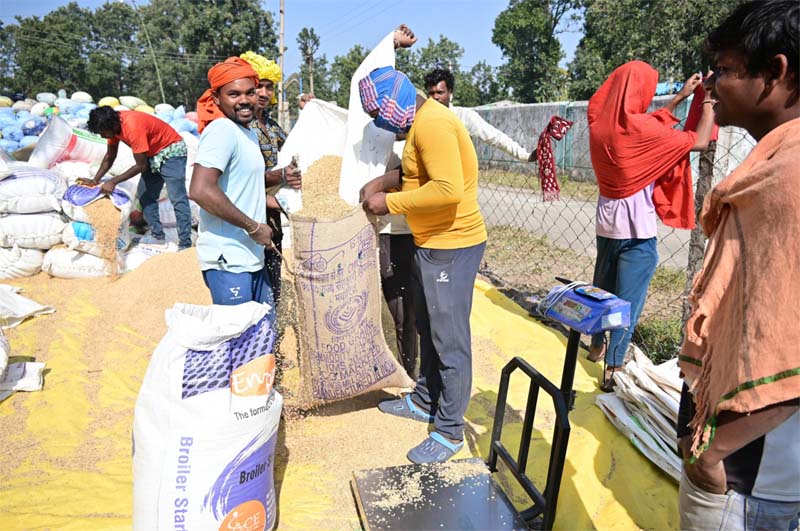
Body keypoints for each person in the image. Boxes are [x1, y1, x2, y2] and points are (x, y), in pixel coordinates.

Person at [677, 2, 799, 529]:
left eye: (724, 72)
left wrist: (713, 454)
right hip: (739, 457)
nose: (709, 88)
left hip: (752, 476)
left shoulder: (788, 182)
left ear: (775, 72)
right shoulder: (771, 165)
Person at [361, 67, 486, 465]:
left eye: (382, 115)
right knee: (429, 326)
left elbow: (447, 190)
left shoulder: (432, 124)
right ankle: (425, 399)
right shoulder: (421, 122)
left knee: (450, 338)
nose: (382, 125)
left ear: (397, 103)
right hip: (430, 240)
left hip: (453, 243)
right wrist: (386, 182)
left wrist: (390, 203)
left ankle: (449, 429)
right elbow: (420, 171)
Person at [586, 61, 714, 391]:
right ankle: (613, 368)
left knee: (602, 291)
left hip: (607, 226)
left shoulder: (599, 124)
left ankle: (595, 347)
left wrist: (680, 98)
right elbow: (697, 141)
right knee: (626, 302)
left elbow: (643, 121)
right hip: (636, 232)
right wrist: (709, 100)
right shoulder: (643, 133)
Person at [339, 24, 420, 378]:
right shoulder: (383, 132)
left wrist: (382, 185)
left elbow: (427, 177)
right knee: (377, 298)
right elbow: (364, 76)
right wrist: (390, 43)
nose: (374, 119)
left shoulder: (424, 131)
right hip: (382, 229)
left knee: (405, 306)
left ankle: (409, 370)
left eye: (378, 113)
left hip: (408, 230)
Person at [188, 57, 275, 309]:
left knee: (263, 338)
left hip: (250, 255)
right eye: (234, 94)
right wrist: (252, 226)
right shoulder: (221, 130)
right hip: (228, 258)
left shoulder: (246, 132)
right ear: (216, 99)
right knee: (240, 342)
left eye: (250, 92)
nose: (244, 100)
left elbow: (241, 185)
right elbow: (200, 190)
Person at [83, 106, 193, 250]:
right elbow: (110, 156)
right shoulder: (113, 128)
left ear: (112, 125)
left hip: (172, 152)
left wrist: (113, 181)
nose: (103, 136)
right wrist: (95, 180)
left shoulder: (132, 127)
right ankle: (158, 236)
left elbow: (141, 166)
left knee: (177, 197)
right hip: (152, 154)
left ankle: (185, 243)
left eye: (103, 133)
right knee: (145, 196)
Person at [240, 51, 301, 305]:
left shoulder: (273, 126)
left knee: (274, 271)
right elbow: (243, 179)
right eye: (258, 87)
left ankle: (272, 329)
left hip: (273, 214)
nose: (264, 93)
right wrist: (282, 176)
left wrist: (307, 114)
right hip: (250, 214)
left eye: (269, 87)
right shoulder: (242, 127)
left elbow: (293, 153)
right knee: (255, 278)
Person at [424, 68, 535, 162]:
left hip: (457, 180)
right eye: (431, 93)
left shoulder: (463, 116)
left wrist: (524, 156)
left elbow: (495, 137)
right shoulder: (423, 119)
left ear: (450, 92)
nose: (435, 97)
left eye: (440, 92)